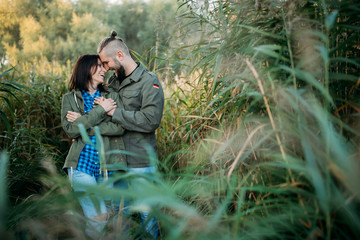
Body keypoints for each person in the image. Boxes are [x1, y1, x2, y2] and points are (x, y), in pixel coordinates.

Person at [95, 30, 165, 239]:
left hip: (140, 161)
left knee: (148, 213)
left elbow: (150, 120)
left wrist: (115, 113)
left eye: (106, 63)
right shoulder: (113, 83)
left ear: (120, 55)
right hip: (116, 160)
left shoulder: (148, 81)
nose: (105, 69)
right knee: (119, 214)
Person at [61, 54, 127, 239]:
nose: (103, 69)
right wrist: (101, 110)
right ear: (85, 69)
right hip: (81, 166)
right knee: (99, 217)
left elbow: (119, 128)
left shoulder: (111, 96)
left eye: (103, 66)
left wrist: (84, 124)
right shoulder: (69, 99)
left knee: (108, 217)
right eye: (98, 65)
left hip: (107, 166)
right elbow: (71, 131)